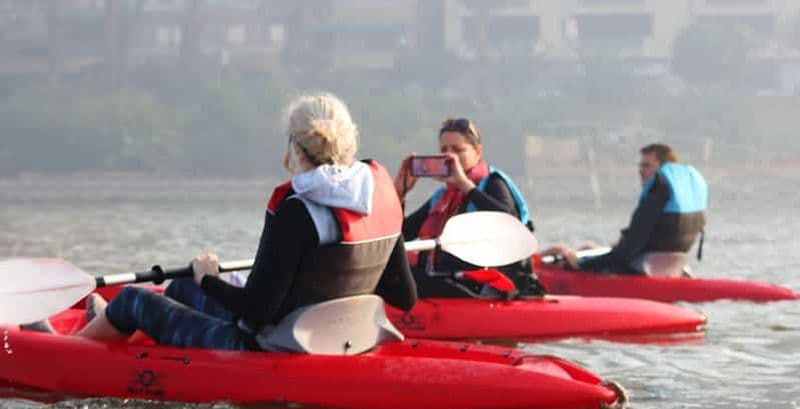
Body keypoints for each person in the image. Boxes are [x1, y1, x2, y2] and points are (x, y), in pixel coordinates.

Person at [61, 93, 418, 350]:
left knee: (133, 300)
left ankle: (71, 349)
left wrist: (209, 279)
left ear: (296, 148)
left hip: (268, 348)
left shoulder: (298, 211)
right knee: (182, 286)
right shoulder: (381, 195)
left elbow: (258, 312)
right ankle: (118, 336)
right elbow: (405, 297)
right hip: (343, 341)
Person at [394, 117, 536, 297]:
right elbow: (403, 235)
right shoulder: (443, 196)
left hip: (482, 282)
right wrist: (399, 193)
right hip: (445, 278)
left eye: (457, 150)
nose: (449, 156)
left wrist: (466, 186)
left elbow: (509, 223)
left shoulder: (493, 183)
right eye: (444, 150)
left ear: (477, 152)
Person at [542, 143, 708, 275]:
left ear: (662, 168)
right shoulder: (681, 191)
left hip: (642, 268)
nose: (640, 170)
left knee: (561, 251)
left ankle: (534, 271)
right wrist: (623, 244)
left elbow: (625, 254)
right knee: (588, 248)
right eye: (640, 165)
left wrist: (582, 264)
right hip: (672, 266)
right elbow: (645, 238)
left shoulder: (658, 191)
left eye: (646, 165)